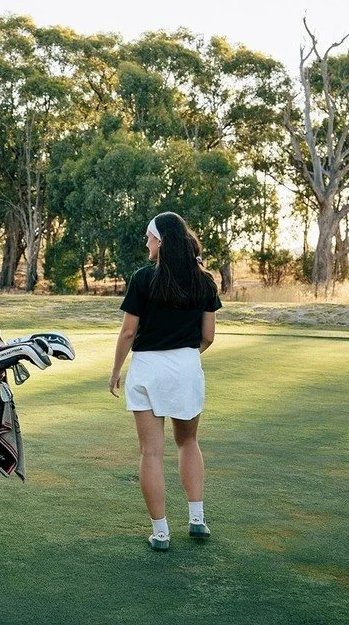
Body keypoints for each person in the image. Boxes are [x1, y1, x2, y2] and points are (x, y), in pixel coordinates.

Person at [108, 211, 221, 551]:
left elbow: (129, 332)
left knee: (151, 453)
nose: (146, 242)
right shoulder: (204, 280)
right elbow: (209, 336)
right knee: (188, 442)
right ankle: (197, 520)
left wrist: (115, 371)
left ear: (161, 240)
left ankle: (160, 533)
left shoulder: (143, 278)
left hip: (147, 369)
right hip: (187, 366)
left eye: (149, 236)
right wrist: (183, 359)